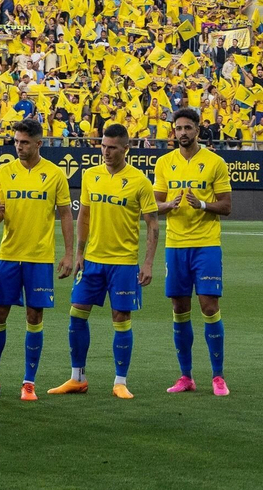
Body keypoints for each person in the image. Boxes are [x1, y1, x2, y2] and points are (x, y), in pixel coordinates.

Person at [49, 124, 158, 399]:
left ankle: (120, 381)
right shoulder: (91, 176)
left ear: (126, 148)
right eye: (103, 146)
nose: (106, 152)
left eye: (112, 148)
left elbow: (153, 224)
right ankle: (77, 378)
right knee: (76, 314)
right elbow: (83, 216)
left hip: (123, 263)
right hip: (92, 262)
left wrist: (147, 263)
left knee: (121, 319)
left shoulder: (140, 181)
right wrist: (80, 253)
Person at [0, 118, 75, 401]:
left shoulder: (55, 174)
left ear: (39, 144)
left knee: (34, 315)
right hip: (9, 254)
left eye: (25, 142)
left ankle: (28, 383)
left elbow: (66, 214)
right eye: (16, 141)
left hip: (40, 258)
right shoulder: (5, 172)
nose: (19, 146)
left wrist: (68, 254)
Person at [154, 106, 233, 395]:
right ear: (173, 131)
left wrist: (201, 204)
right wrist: (168, 205)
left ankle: (218, 376)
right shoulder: (164, 163)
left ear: (198, 130)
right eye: (179, 128)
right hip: (175, 245)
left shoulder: (214, 162)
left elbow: (226, 206)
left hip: (206, 244)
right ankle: (185, 377)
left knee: (209, 306)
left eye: (188, 128)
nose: (183, 133)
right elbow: (154, 205)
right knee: (179, 308)